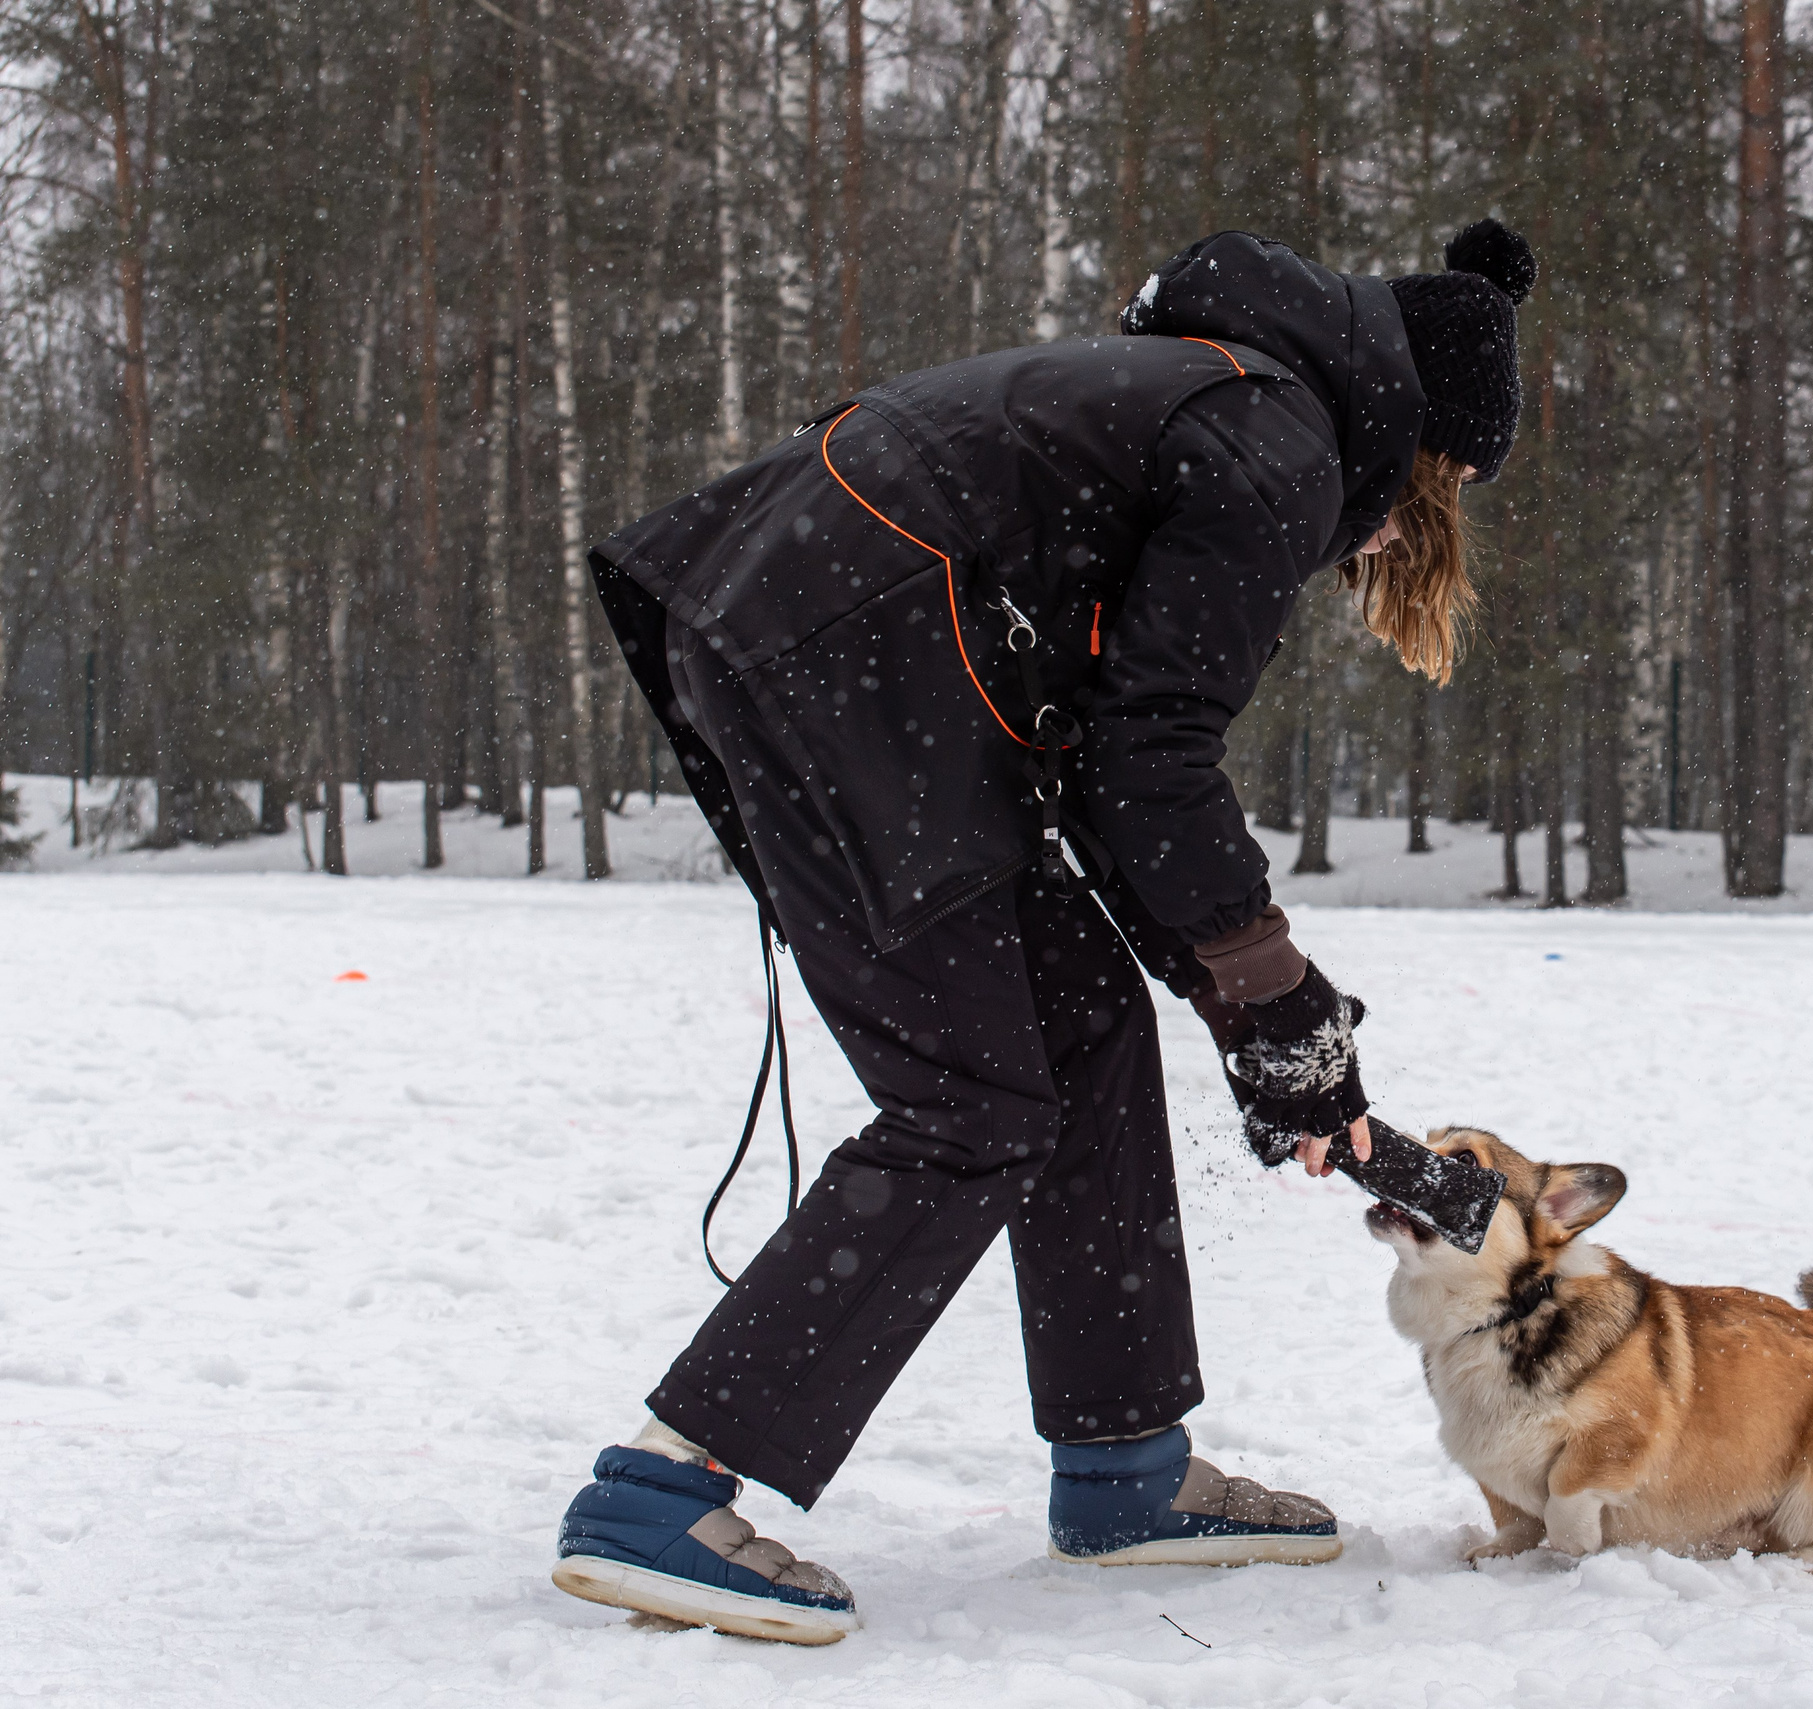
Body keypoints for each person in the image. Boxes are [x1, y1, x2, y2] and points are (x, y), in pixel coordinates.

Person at [552, 219, 1538, 1644]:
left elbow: (1112, 779)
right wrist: (1283, 1012)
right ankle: (658, 1492)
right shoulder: (1279, 445)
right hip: (849, 655)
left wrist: (1254, 1026)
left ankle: (1126, 1463)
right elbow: (1155, 761)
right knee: (973, 1097)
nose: (1382, 540)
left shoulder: (1225, 395)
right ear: (1417, 445)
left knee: (1078, 1023)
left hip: (853, 647)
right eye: (1423, 502)